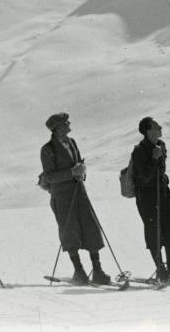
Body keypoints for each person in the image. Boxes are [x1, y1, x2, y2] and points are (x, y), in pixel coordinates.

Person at [39, 112, 110, 285]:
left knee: (90, 227)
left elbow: (77, 166)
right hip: (62, 196)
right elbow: (49, 177)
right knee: (70, 232)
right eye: (65, 123)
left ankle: (98, 270)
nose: (68, 124)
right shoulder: (48, 149)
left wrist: (81, 171)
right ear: (57, 129)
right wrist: (72, 172)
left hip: (79, 192)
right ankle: (79, 271)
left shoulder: (72, 142)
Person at [131, 117, 170, 284]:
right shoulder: (139, 151)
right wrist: (154, 159)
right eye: (156, 126)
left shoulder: (161, 145)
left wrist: (163, 175)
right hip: (147, 196)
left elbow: (161, 171)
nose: (160, 127)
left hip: (162, 193)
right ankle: (160, 269)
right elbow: (145, 178)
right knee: (154, 230)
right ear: (148, 131)